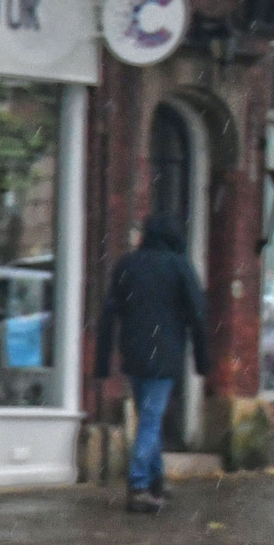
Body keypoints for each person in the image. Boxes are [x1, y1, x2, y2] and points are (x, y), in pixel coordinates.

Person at [95, 214, 211, 513]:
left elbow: (109, 314)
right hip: (166, 353)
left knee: (149, 414)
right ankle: (139, 485)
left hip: (133, 353)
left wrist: (102, 360)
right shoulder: (179, 267)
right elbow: (198, 315)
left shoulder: (128, 265)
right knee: (151, 418)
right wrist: (202, 360)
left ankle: (156, 477)